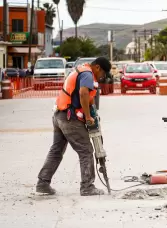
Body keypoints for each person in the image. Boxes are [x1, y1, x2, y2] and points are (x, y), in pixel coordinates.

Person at [36, 57, 112, 196]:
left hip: (59, 114)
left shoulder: (80, 69)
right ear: (98, 68)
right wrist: (88, 117)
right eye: (103, 74)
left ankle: (42, 183)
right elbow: (83, 93)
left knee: (56, 150)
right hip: (70, 118)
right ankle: (87, 187)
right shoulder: (88, 74)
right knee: (86, 151)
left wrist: (90, 112)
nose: (103, 77)